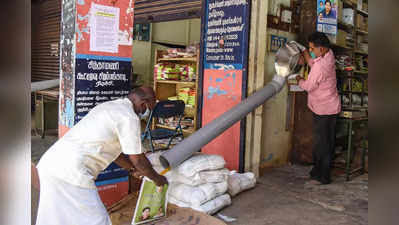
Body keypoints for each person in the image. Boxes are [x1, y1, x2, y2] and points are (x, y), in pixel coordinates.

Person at [35, 86, 168, 225]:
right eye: (150, 108)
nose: (147, 113)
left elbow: (112, 151)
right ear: (143, 103)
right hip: (72, 171)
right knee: (97, 219)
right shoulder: (128, 117)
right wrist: (158, 179)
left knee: (54, 217)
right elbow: (138, 159)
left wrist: (132, 170)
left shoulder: (109, 107)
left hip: (51, 163)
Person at [296, 32, 341, 185]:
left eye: (312, 49)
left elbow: (308, 86)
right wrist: (305, 54)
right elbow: (314, 63)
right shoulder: (329, 54)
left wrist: (299, 80)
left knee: (323, 144)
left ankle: (322, 176)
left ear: (321, 49)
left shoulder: (321, 66)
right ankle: (318, 172)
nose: (311, 52)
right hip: (331, 106)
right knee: (327, 142)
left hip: (323, 109)